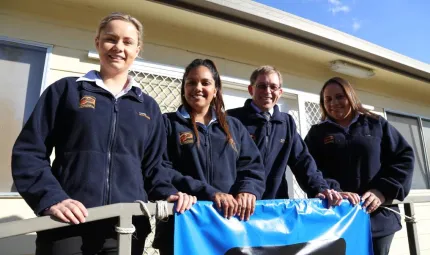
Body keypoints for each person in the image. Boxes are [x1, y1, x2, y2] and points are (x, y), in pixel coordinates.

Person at [11, 12, 196, 255]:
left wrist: (169, 193)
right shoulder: (65, 92)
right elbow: (29, 153)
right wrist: (52, 198)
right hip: (67, 226)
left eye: (128, 42)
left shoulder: (148, 107)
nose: (118, 47)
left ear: (138, 49)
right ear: (97, 42)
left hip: (126, 228)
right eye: (111, 39)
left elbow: (154, 169)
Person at [153, 59, 266, 255]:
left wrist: (248, 190)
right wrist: (209, 193)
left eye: (205, 83)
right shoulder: (167, 124)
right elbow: (161, 169)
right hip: (182, 226)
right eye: (191, 82)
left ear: (215, 90)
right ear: (184, 88)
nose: (198, 88)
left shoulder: (234, 127)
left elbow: (252, 167)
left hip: (227, 229)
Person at [304, 77, 414, 255]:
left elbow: (404, 157)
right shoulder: (317, 134)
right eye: (328, 99)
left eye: (340, 97)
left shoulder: (376, 124)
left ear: (351, 96)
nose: (334, 103)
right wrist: (334, 192)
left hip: (378, 218)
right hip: (338, 219)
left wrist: (383, 191)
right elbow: (310, 170)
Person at [227, 65, 342, 205]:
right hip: (239, 206)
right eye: (262, 86)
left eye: (273, 87)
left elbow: (302, 161)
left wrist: (321, 189)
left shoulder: (286, 123)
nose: (267, 91)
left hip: (276, 207)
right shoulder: (232, 119)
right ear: (251, 89)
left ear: (280, 92)